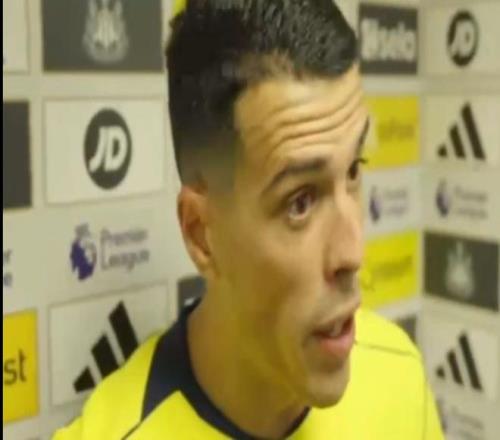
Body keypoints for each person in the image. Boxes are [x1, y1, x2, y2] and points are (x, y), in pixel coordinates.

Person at [54, 1, 444, 438]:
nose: (353, 252)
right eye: (300, 202)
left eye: (353, 170)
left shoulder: (399, 376)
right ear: (202, 236)